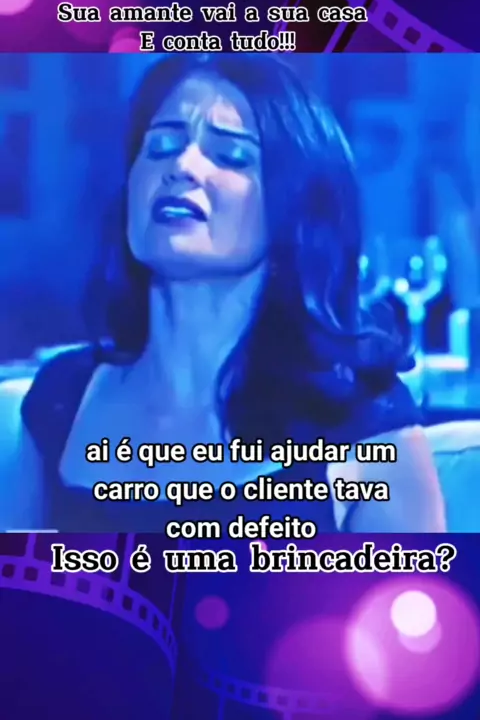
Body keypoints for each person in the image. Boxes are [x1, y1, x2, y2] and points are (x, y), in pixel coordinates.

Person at [0, 53, 445, 532]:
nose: (182, 166)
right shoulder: (60, 399)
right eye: (160, 147)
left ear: (294, 206)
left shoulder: (363, 415)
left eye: (231, 156)